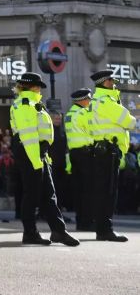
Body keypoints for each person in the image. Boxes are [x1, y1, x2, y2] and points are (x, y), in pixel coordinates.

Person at [8, 73, 79, 246]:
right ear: (30, 87)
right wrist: (36, 161)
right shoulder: (25, 104)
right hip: (31, 152)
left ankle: (58, 231)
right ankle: (30, 233)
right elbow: (29, 136)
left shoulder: (34, 103)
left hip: (38, 152)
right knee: (32, 194)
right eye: (37, 85)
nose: (39, 88)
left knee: (49, 194)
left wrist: (42, 155)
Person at [88, 70, 138, 242]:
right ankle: (105, 230)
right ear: (105, 82)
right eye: (112, 81)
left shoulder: (99, 100)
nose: (114, 83)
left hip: (105, 151)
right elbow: (130, 121)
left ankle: (103, 229)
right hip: (108, 152)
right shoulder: (106, 101)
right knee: (108, 192)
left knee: (104, 191)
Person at [65, 88, 94, 231]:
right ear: (82, 100)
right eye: (88, 99)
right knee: (88, 190)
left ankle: (80, 221)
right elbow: (92, 131)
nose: (90, 101)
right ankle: (87, 222)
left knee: (79, 190)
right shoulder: (82, 113)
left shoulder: (70, 113)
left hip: (74, 154)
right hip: (85, 154)